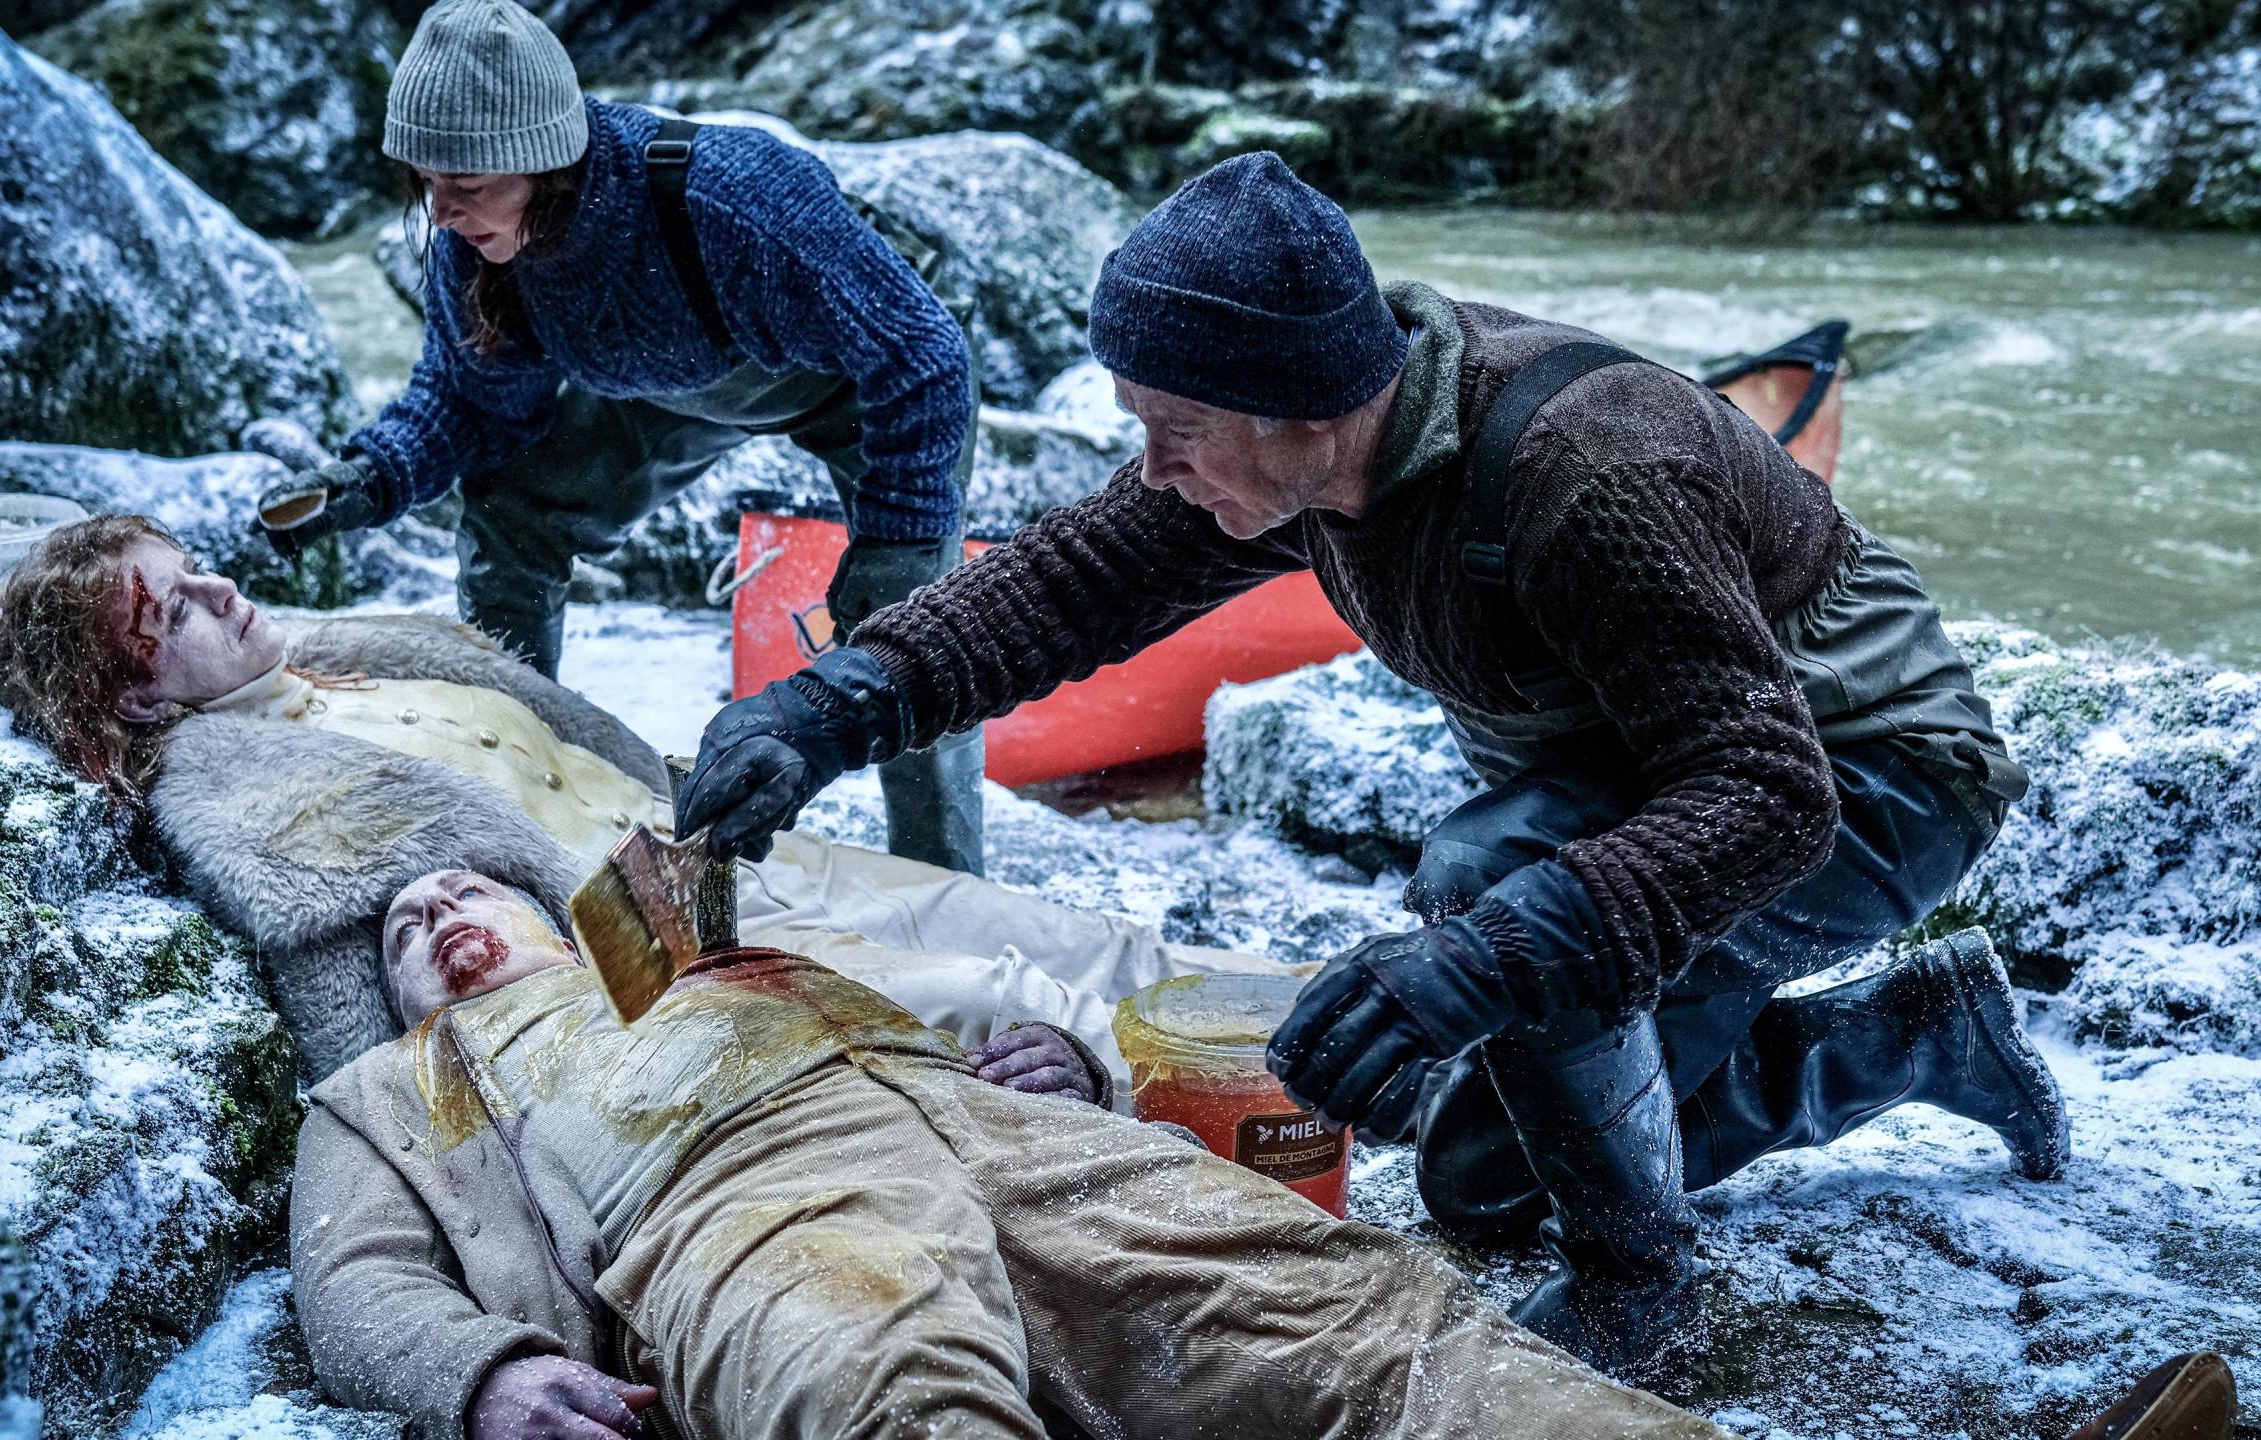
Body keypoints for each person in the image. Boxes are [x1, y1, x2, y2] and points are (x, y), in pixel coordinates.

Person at [674, 154, 2064, 1380]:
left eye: (1172, 430)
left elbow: (1767, 795)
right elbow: (1076, 580)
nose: (1153, 470)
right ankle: (1915, 1038)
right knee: (1481, 1178)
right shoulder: (1308, 454)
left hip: (1869, 778)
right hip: (1653, 782)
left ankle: (1648, 1294)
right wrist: (842, 702)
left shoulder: (1589, 471)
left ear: (1290, 405)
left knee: (1489, 886)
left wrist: (1488, 955)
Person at [289, 866, 2237, 1440]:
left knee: (1374, 1330)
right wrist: (484, 1375)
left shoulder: (699, 946)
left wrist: (1045, 1047)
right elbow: (358, 1286)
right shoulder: (401, 1094)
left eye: (471, 892)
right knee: (891, 1394)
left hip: (1007, 1138)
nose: (444, 918)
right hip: (736, 1211)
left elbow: (979, 992)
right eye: (406, 931)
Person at [0, 515, 1277, 1085]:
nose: (219, 595)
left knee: (1087, 940)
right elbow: (343, 981)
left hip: (714, 847)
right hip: (640, 939)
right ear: (140, 701)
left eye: (201, 572)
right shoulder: (228, 784)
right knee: (1001, 1005)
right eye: (173, 614)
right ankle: (1208, 1099)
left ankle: (1375, 1043)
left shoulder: (335, 648)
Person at [246, 0, 984, 875]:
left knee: (907, 634)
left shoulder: (733, 197)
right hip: (657, 386)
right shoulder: (474, 245)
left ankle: (945, 884)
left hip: (852, 385)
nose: (440, 212)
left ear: (545, 165)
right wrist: (369, 478)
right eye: (425, 182)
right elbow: (473, 406)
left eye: (469, 186)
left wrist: (899, 544)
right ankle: (519, 779)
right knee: (513, 512)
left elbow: (925, 357)